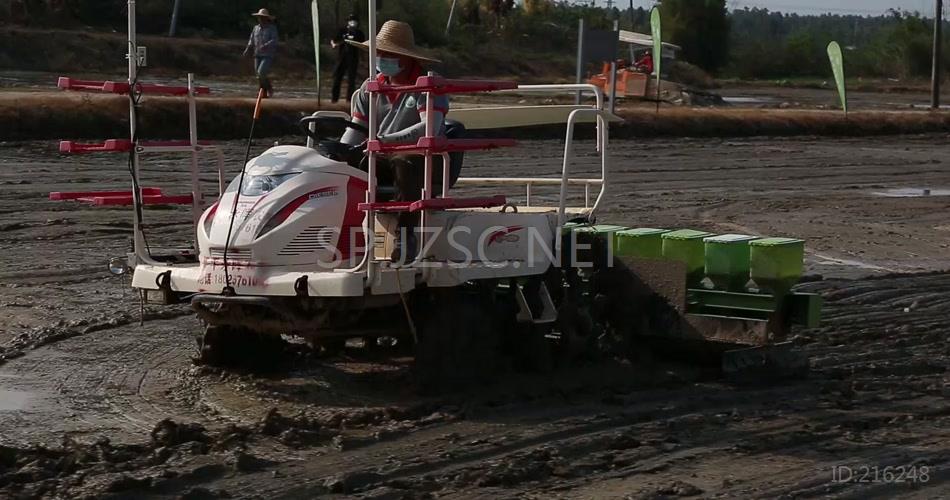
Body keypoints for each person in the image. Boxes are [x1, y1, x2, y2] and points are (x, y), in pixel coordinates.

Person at [340, 20, 448, 262]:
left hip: (425, 159)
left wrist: (384, 140)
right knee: (342, 164)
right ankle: (342, 230)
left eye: (388, 53)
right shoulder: (369, 89)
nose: (381, 58)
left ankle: (406, 234)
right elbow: (357, 131)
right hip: (381, 155)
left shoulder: (428, 84)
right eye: (379, 53)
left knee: (404, 159)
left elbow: (430, 127)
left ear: (405, 57)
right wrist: (338, 152)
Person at [330, 14, 367, 103]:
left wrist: (363, 58)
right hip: (342, 58)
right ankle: (334, 99)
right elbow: (334, 40)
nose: (353, 22)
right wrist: (334, 44)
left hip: (353, 58)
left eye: (354, 20)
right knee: (337, 78)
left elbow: (363, 45)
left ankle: (349, 100)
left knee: (351, 80)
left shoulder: (359, 33)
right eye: (351, 20)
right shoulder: (342, 31)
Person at [243, 8, 279, 97]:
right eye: (260, 17)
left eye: (263, 17)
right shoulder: (256, 28)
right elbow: (251, 39)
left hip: (267, 54)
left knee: (261, 72)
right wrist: (247, 48)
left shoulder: (272, 28)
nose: (261, 19)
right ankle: (263, 93)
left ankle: (267, 89)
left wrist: (265, 45)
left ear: (267, 18)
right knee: (258, 75)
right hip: (257, 53)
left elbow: (274, 40)